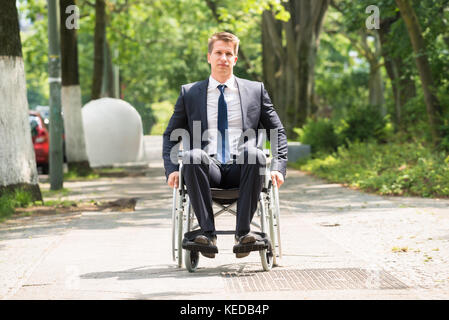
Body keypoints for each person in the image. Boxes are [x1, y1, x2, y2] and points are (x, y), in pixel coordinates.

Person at [162, 32, 287, 259]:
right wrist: (171, 169)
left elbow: (276, 130)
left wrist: (278, 166)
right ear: (209, 57)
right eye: (218, 53)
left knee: (254, 154)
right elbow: (171, 134)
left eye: (229, 53)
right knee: (192, 156)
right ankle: (206, 235)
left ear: (235, 59)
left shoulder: (254, 90)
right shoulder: (190, 93)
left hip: (244, 169)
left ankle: (244, 235)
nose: (223, 58)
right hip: (208, 170)